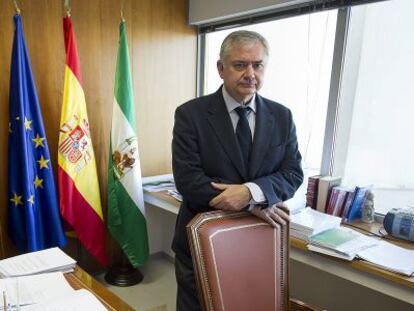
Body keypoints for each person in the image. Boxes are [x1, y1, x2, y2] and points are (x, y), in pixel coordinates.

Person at [171, 30, 303, 310]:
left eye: (258, 65)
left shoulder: (282, 116)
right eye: (240, 65)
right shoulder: (190, 115)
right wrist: (252, 203)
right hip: (201, 240)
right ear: (221, 68)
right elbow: (188, 180)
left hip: (259, 241)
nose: (250, 73)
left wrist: (250, 194)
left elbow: (292, 173)